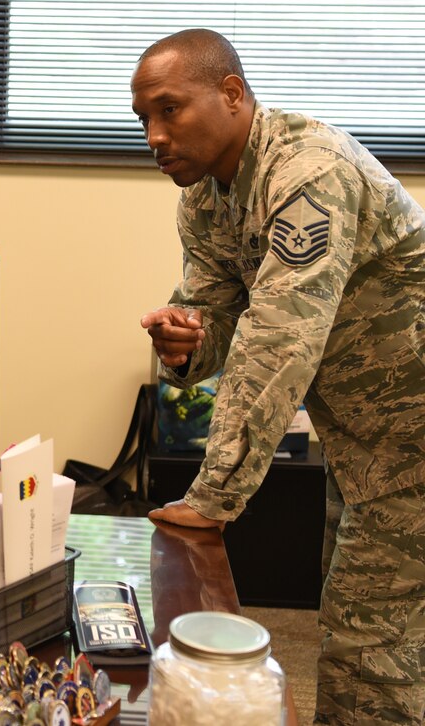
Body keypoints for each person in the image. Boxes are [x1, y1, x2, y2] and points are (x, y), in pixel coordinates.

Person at [132, 28, 424, 725]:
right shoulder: (204, 198)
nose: (153, 135)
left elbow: (277, 342)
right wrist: (184, 346)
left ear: (232, 94)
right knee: (362, 619)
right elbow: (215, 315)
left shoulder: (306, 172)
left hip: (412, 440)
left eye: (170, 109)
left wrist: (214, 497)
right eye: (142, 117)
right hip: (362, 438)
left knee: (369, 649)